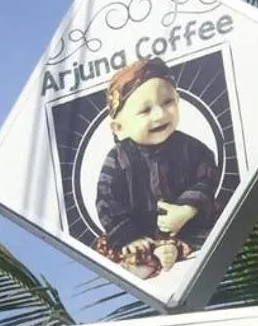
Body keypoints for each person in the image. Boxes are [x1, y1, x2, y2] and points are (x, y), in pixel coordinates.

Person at [95, 58, 223, 278]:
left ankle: (173, 249)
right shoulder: (118, 159)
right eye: (145, 111)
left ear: (178, 99)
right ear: (119, 127)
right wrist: (130, 236)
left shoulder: (192, 149)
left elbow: (207, 179)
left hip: (185, 225)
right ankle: (146, 256)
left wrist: (186, 209)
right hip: (138, 229)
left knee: (214, 228)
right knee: (115, 247)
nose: (160, 114)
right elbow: (107, 199)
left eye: (168, 102)